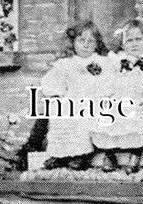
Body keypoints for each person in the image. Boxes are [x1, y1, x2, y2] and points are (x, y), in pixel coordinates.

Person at [92, 21, 143, 172]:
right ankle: (110, 154)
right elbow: (109, 84)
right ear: (123, 45)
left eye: (138, 39)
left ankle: (135, 154)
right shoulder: (118, 62)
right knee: (110, 116)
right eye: (129, 41)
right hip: (123, 102)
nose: (134, 44)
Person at [38, 21, 112, 169]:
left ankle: (82, 156)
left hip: (94, 101)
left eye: (91, 41)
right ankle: (61, 155)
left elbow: (110, 82)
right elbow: (52, 83)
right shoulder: (66, 63)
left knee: (86, 118)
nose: (86, 45)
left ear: (97, 44)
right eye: (81, 40)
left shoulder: (103, 62)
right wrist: (56, 96)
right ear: (73, 42)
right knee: (62, 116)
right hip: (71, 101)